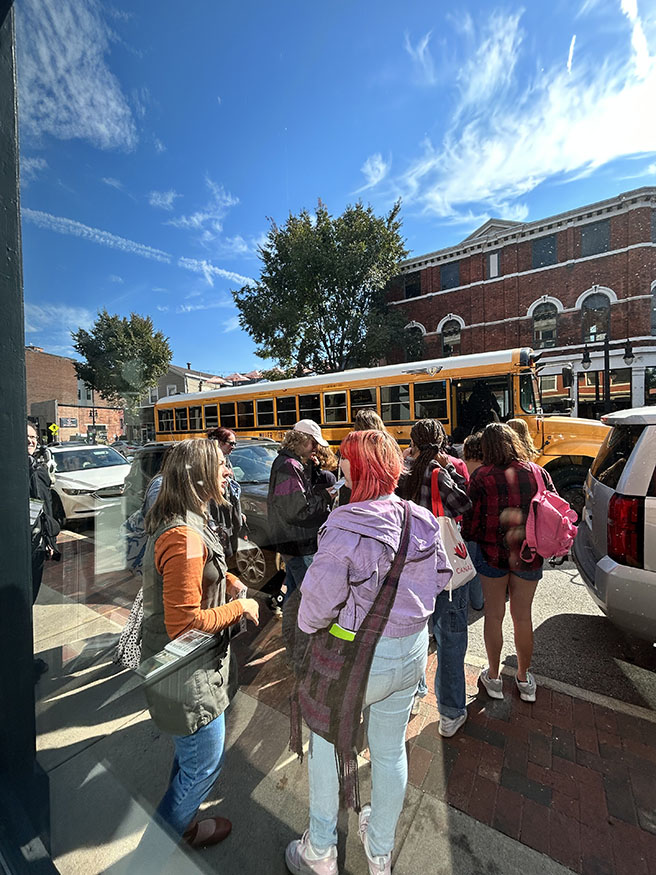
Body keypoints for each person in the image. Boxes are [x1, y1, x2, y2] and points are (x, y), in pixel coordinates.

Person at [286, 430, 450, 875]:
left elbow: (315, 607)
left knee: (327, 745)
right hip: (412, 652)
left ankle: (320, 849)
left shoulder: (346, 525)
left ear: (356, 470)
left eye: (344, 459)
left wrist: (313, 630)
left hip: (358, 660)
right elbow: (442, 575)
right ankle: (379, 851)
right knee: (390, 751)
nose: (338, 465)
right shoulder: (419, 517)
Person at [136, 439, 260, 861]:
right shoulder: (184, 536)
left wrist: (228, 581)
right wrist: (240, 607)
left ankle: (186, 826)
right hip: (186, 675)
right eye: (221, 464)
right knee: (202, 767)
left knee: (190, 759)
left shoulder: (189, 520)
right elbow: (184, 625)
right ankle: (149, 858)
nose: (229, 471)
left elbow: (198, 575)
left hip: (189, 670)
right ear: (198, 476)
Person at [462, 423, 556, 704]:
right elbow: (552, 505)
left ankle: (493, 677)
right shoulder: (537, 472)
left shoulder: (481, 477)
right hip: (529, 554)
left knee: (494, 615)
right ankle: (524, 680)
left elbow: (470, 523)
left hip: (492, 554)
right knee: (522, 617)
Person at [396, 419, 472, 736]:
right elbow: (464, 503)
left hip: (411, 568)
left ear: (413, 442)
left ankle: (415, 693)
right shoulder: (440, 473)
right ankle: (450, 712)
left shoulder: (402, 473)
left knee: (415, 635)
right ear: (442, 443)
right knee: (450, 640)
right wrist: (450, 468)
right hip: (443, 569)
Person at [267, 420, 333, 601]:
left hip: (291, 542)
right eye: (313, 443)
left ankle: (288, 619)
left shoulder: (288, 462)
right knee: (309, 596)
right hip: (299, 543)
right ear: (302, 440)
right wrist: (326, 497)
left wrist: (312, 469)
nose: (316, 448)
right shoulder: (289, 466)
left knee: (294, 592)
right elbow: (298, 510)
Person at [28, 422, 61, 679]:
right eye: (26, 437)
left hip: (37, 544)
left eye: (33, 437)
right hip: (25, 548)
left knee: (27, 602)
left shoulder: (36, 469)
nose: (31, 441)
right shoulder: (23, 470)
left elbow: (42, 508)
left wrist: (50, 540)